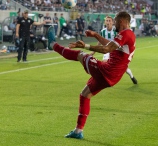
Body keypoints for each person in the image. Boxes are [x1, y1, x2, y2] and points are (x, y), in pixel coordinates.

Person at [47, 11, 136, 139]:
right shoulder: (127, 35)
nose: (114, 23)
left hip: (106, 71)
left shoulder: (126, 33)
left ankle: (52, 45)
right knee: (85, 95)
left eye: (115, 21)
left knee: (80, 54)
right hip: (112, 77)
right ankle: (78, 131)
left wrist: (86, 46)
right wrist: (96, 35)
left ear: (121, 21)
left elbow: (106, 49)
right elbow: (108, 44)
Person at [91, 16, 137, 84]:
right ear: (105, 22)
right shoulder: (103, 31)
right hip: (106, 50)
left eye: (110, 21)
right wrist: (93, 51)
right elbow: (100, 41)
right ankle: (103, 80)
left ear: (112, 22)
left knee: (124, 69)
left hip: (116, 51)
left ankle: (132, 76)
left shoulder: (116, 31)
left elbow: (122, 41)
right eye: (107, 21)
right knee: (104, 63)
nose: (108, 22)